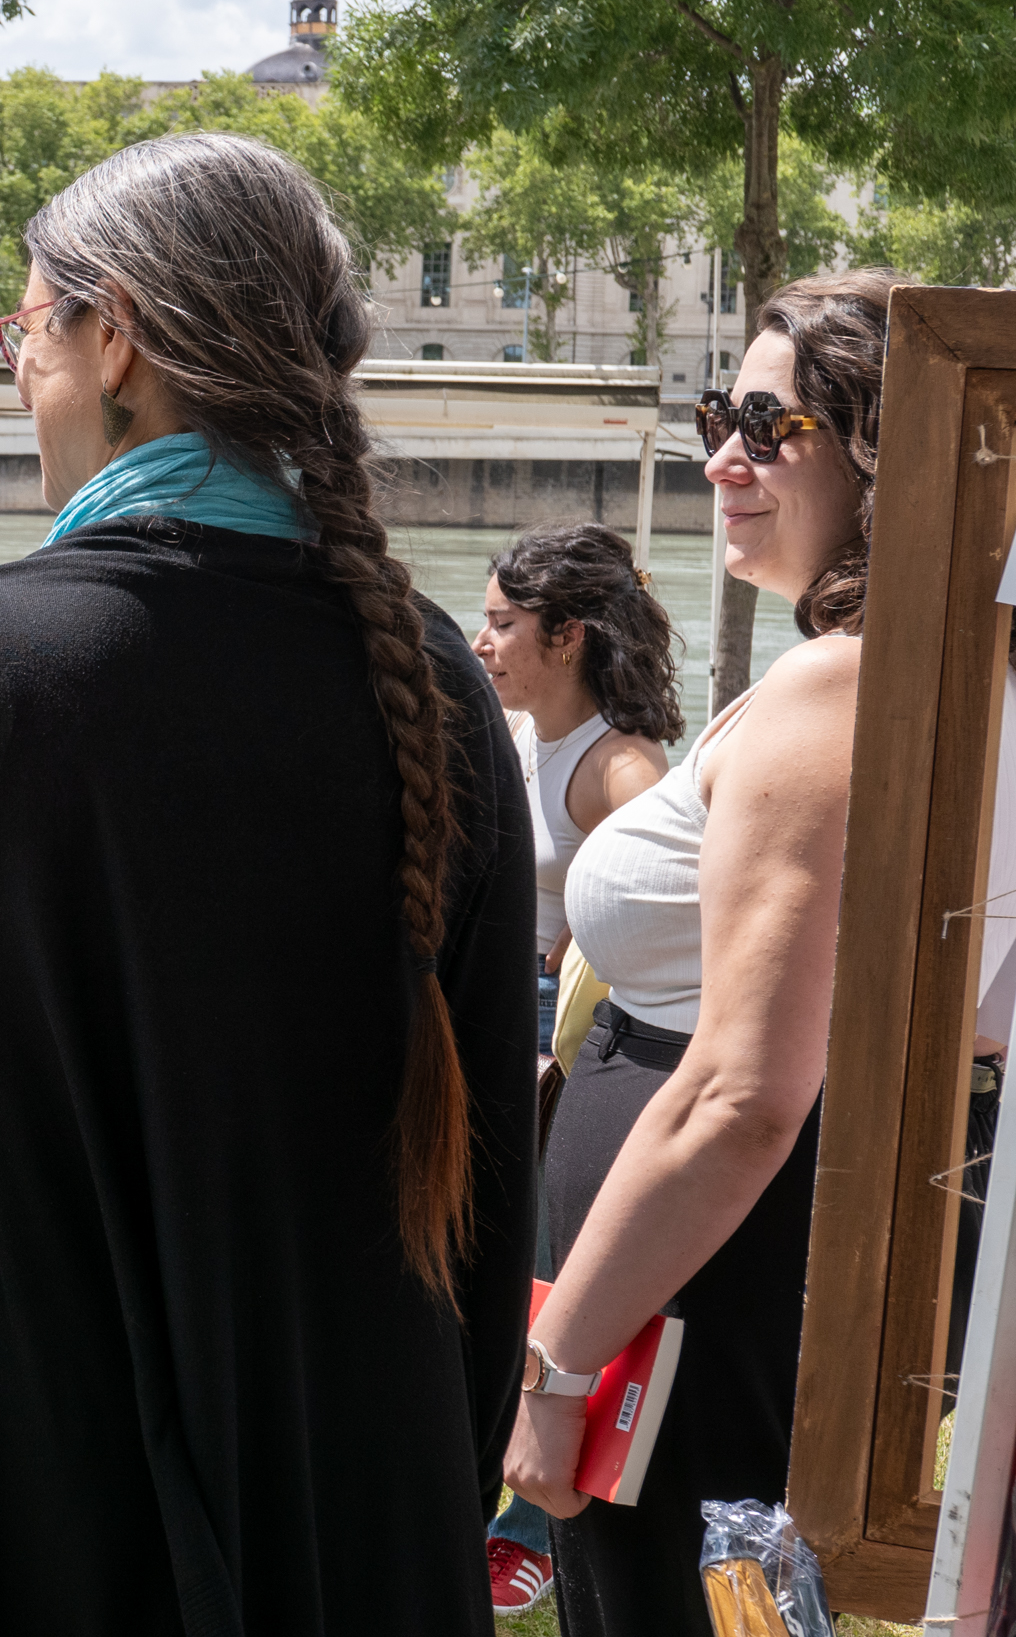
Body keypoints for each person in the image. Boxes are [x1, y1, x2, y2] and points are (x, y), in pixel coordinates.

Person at [0, 133, 538, 1636]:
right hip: (353, 1470)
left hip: (27, 1476)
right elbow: (487, 1155)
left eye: (27, 331)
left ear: (113, 333)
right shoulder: (435, 679)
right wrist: (438, 1473)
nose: (18, 380)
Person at [507, 269, 900, 1637]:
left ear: (876, 449)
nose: (721, 454)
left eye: (766, 424)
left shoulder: (841, 691)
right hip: (689, 1289)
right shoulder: (872, 670)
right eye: (713, 413)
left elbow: (744, 1096)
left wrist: (559, 1368)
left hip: (692, 1309)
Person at [467, 521, 681, 1615]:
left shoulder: (619, 769)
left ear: (568, 636)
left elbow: (648, 943)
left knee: (545, 1273)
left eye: (503, 622)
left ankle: (530, 1530)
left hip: (562, 1049)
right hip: (497, 1026)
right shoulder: (516, 732)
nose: (482, 639)